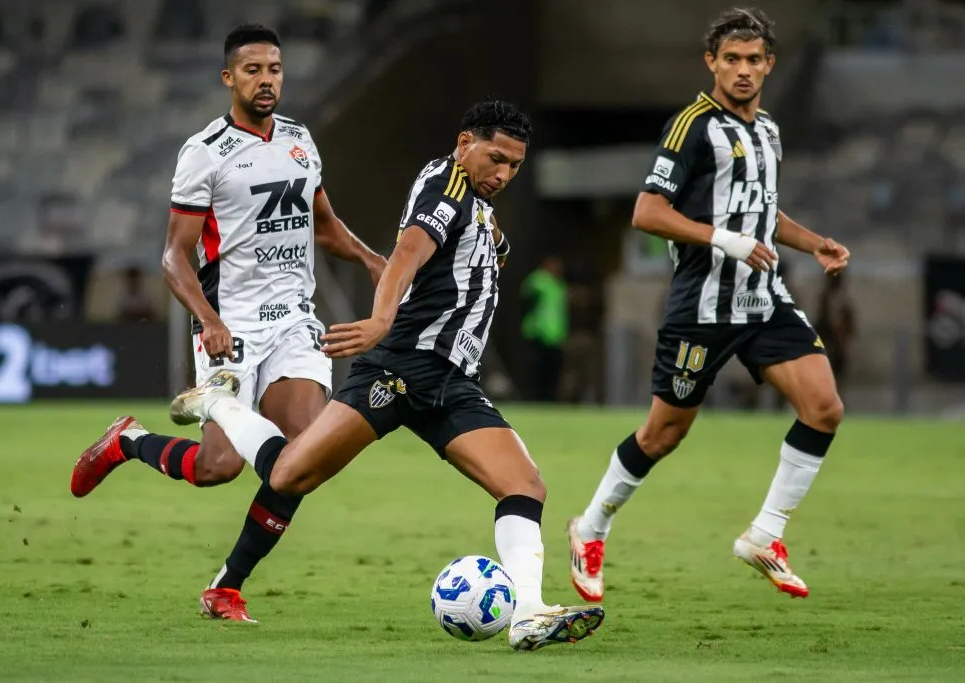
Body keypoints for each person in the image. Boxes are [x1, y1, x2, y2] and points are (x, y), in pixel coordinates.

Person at [164, 100, 605, 651]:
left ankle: (530, 614)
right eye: (496, 158)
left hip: (452, 381)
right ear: (465, 141)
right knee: (288, 475)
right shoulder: (448, 188)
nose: (503, 174)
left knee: (525, 485)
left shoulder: (477, 202)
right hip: (400, 368)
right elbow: (406, 253)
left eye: (515, 165)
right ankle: (219, 405)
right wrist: (380, 320)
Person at [70, 24, 386, 623]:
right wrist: (208, 320)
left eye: (274, 69)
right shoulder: (205, 152)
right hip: (231, 325)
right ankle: (129, 442)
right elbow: (173, 256)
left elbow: (322, 224)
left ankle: (226, 586)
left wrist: (372, 259)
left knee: (306, 457)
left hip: (294, 319)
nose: (266, 80)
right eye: (252, 70)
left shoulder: (300, 140)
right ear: (228, 78)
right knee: (218, 469)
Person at [566, 8, 851, 603]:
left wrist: (812, 241)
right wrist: (726, 240)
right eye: (732, 60)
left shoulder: (768, 129)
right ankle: (590, 527)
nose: (743, 71)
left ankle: (766, 534)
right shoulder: (692, 126)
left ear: (769, 64)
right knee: (662, 435)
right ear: (711, 63)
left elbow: (760, 211)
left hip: (762, 300)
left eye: (754, 60)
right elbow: (647, 212)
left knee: (824, 407)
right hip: (702, 307)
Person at [520, 255, 568, 401]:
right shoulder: (538, 280)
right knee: (538, 368)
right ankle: (536, 398)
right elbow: (527, 296)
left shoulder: (558, 285)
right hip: (538, 331)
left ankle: (549, 398)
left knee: (554, 369)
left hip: (555, 334)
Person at [815, 273, 855, 392]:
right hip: (828, 344)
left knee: (837, 380)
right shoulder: (826, 299)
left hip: (837, 346)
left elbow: (849, 325)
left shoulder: (842, 301)